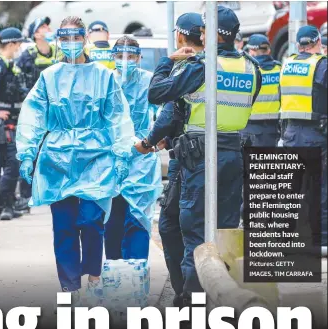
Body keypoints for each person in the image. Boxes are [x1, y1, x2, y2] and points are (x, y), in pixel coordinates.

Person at [135, 6, 262, 305]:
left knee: (195, 236)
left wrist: (168, 61)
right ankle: (225, 303)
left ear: (215, 34)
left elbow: (156, 93)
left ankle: (192, 305)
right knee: (226, 234)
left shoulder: (201, 66)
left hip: (201, 158)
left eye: (205, 30)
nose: (201, 35)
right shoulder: (251, 68)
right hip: (233, 157)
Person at [16, 16, 135, 304]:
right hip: (58, 157)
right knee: (64, 225)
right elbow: (33, 114)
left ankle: (93, 274)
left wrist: (121, 153)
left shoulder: (104, 76)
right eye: (64, 38)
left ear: (84, 39)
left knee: (92, 220)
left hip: (97, 156)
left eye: (75, 38)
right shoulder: (49, 77)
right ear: (59, 40)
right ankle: (69, 285)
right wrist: (27, 152)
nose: (70, 44)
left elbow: (118, 116)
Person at [142, 12, 204, 307]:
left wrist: (147, 143)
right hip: (225, 152)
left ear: (180, 36)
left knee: (173, 225)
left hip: (189, 156)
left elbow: (163, 103)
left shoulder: (189, 66)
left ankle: (186, 294)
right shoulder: (233, 65)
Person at [104, 36, 162, 262]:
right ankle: (115, 275)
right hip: (111, 159)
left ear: (139, 58)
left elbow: (164, 113)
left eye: (130, 56)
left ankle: (136, 276)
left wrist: (156, 139)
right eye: (120, 56)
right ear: (113, 57)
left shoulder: (149, 82)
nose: (125, 61)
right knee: (112, 220)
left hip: (141, 158)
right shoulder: (106, 82)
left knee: (137, 219)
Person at [279, 25, 327, 247]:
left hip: (290, 136)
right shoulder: (321, 65)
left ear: (298, 45)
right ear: (318, 42)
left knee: (289, 191)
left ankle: (284, 240)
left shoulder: (287, 65)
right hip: (316, 135)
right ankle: (321, 241)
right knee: (320, 190)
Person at [16, 17, 62, 213]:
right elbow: (18, 82)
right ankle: (25, 196)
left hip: (58, 112)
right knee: (31, 152)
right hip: (37, 112)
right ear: (35, 34)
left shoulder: (59, 53)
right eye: (43, 27)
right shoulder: (27, 55)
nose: (48, 29)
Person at [0, 27, 28, 220]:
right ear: (11, 44)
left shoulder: (8, 64)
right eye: (18, 44)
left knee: (5, 163)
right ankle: (5, 205)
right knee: (10, 164)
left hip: (13, 121)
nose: (19, 48)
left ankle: (3, 204)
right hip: (4, 125)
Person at [241, 34, 282, 147]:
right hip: (273, 128)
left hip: (250, 126)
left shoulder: (249, 69)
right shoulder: (279, 69)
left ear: (253, 51)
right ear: (268, 50)